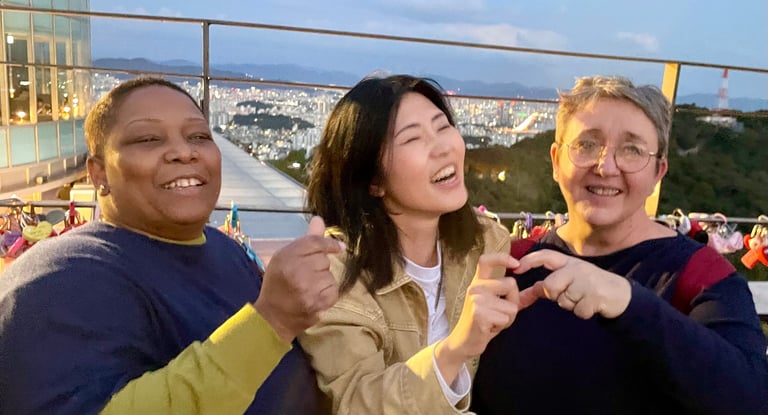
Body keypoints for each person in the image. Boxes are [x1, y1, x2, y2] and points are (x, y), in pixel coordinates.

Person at [0, 77, 345, 414]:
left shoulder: (228, 251)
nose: (184, 152)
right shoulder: (59, 279)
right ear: (99, 173)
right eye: (148, 138)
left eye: (199, 136)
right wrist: (273, 322)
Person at [471, 75, 768, 414]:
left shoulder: (700, 276)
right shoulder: (509, 265)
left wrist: (629, 302)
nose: (606, 167)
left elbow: (751, 399)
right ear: (555, 161)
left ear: (658, 172)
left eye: (632, 150)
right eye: (586, 145)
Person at [299, 74, 521, 414]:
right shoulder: (335, 271)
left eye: (443, 126)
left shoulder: (487, 243)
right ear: (373, 180)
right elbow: (355, 401)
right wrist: (456, 349)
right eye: (414, 139)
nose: (445, 147)